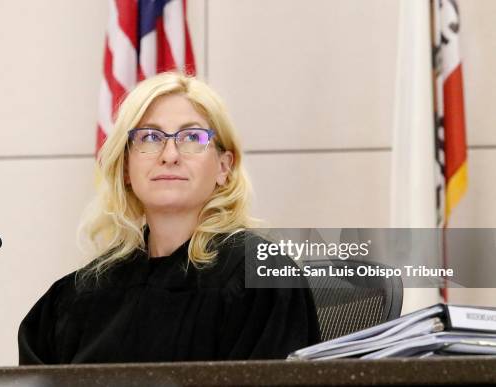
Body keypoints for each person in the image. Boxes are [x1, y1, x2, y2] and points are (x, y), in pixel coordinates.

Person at [17, 72, 320, 364]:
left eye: (192, 136)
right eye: (149, 137)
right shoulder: (77, 297)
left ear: (223, 167)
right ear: (125, 167)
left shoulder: (261, 277)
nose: (170, 154)